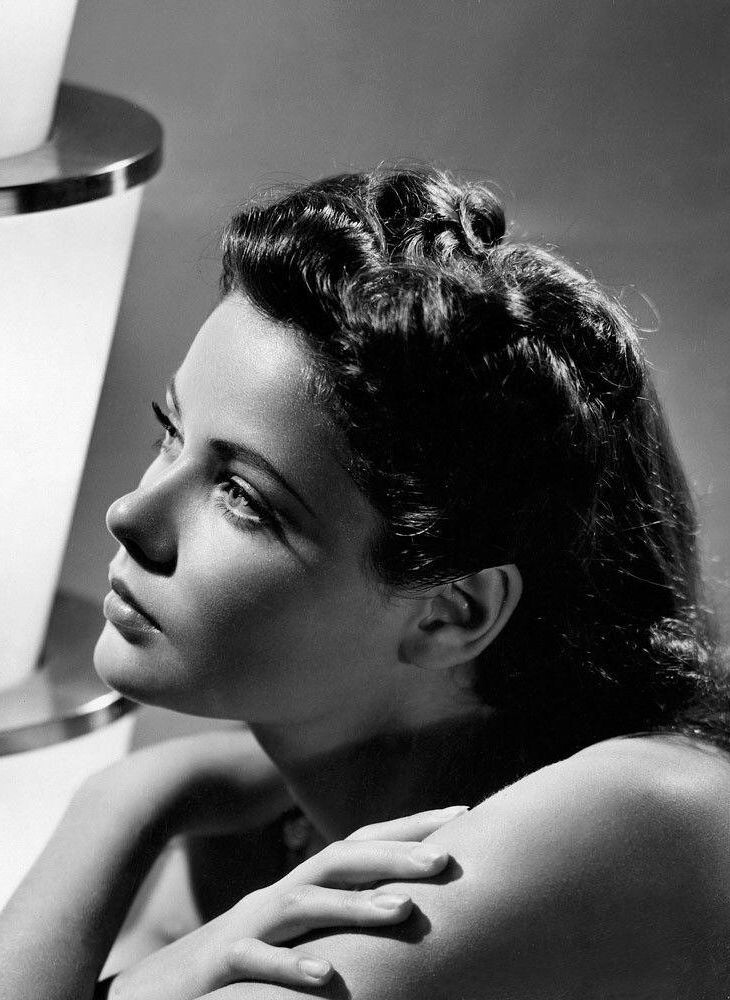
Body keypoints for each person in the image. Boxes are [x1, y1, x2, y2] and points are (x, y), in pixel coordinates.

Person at [1, 166, 728, 999]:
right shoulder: (274, 840)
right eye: (172, 431)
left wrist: (123, 825)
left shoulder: (637, 811)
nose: (131, 513)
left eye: (243, 497)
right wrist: (132, 800)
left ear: (453, 613)